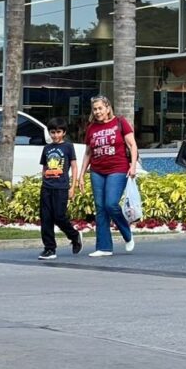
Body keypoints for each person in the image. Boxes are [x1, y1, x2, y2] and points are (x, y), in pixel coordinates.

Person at [76, 95, 138, 257]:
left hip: (117, 169)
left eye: (100, 108)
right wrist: (81, 175)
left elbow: (132, 145)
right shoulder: (91, 128)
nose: (97, 112)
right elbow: (88, 153)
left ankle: (126, 232)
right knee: (100, 208)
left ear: (108, 108)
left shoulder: (120, 122)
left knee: (110, 204)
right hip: (97, 171)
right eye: (95, 109)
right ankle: (104, 247)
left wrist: (133, 166)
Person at [37, 117, 82, 260]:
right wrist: (44, 182)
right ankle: (49, 248)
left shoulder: (68, 147)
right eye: (52, 132)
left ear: (64, 132)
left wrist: (73, 187)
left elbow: (74, 166)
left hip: (61, 187)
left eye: (58, 132)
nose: (55, 135)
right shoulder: (47, 148)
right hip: (46, 188)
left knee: (59, 216)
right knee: (46, 219)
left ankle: (74, 236)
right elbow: (45, 167)